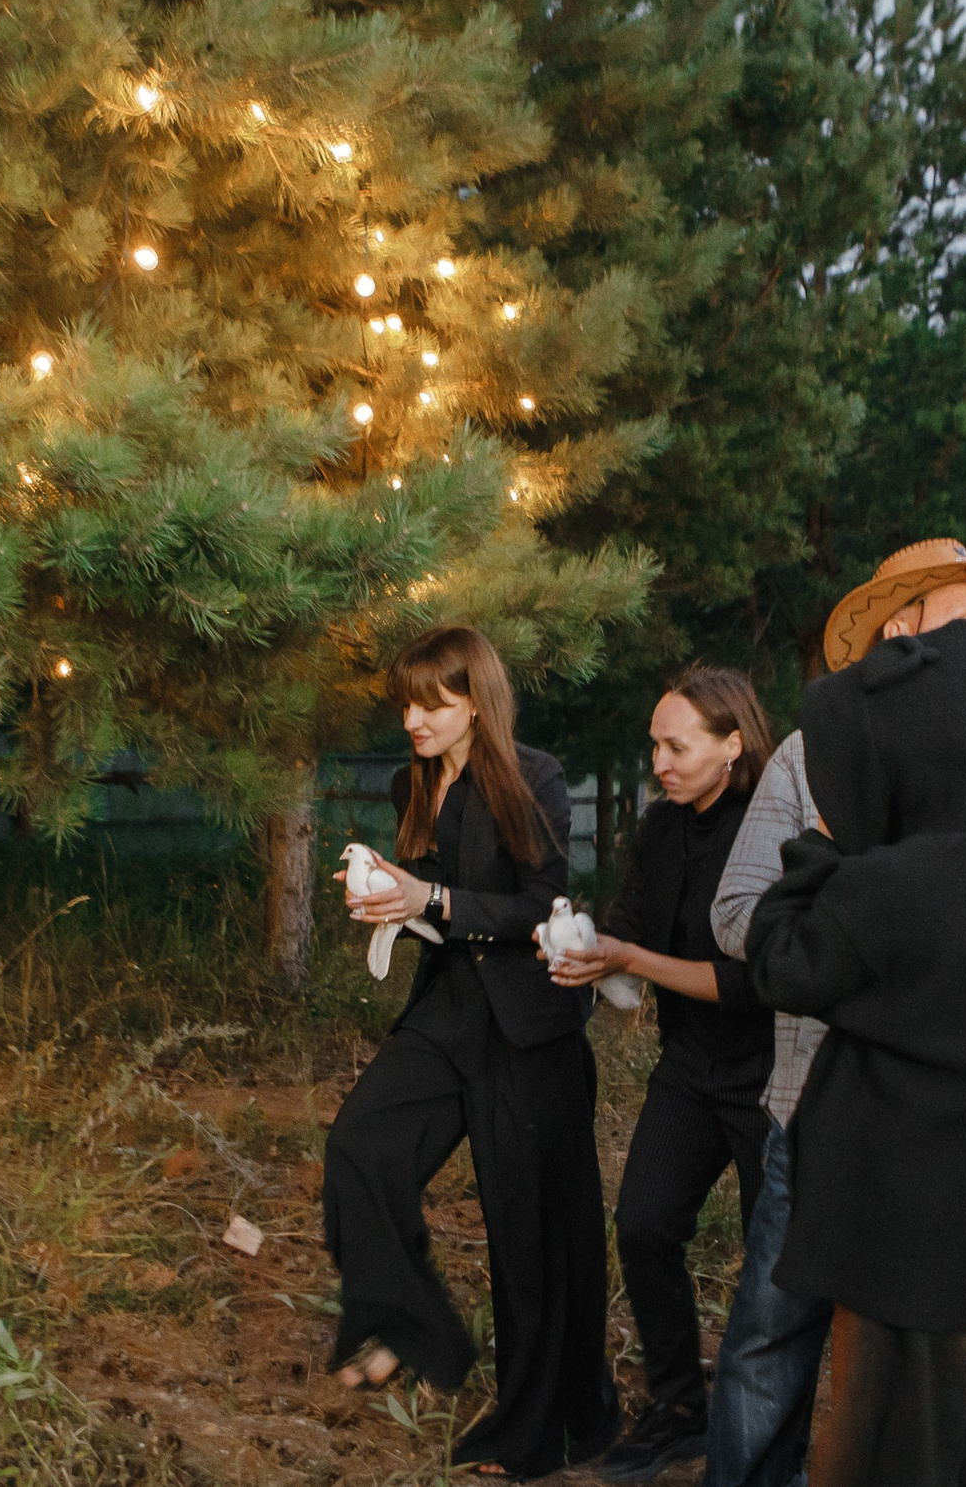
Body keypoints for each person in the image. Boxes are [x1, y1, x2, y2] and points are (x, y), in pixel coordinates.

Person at [705, 538, 966, 1487]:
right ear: (901, 630)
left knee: (903, 1383)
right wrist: (866, 917)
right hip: (817, 1101)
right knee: (773, 1331)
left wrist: (917, 945)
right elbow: (736, 917)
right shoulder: (812, 755)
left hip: (962, 1137)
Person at [320, 625, 618, 1477]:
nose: (412, 719)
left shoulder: (537, 776)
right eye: (406, 703)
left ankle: (541, 1430)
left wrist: (436, 896)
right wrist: (389, 897)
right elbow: (428, 902)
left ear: (475, 701)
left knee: (530, 1235)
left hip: (527, 1025)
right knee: (359, 1147)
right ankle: (419, 1328)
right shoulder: (409, 780)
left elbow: (537, 903)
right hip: (447, 1011)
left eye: (432, 703)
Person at [543, 669, 778, 1481]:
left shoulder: (771, 834)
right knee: (643, 1224)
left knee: (773, 1264)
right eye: (655, 744)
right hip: (689, 1065)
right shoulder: (660, 826)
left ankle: (767, 1436)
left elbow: (752, 980)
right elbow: (630, 926)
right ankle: (680, 1406)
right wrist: (581, 947)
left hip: (769, 1075)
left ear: (733, 744)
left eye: (678, 745)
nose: (660, 761)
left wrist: (634, 959)